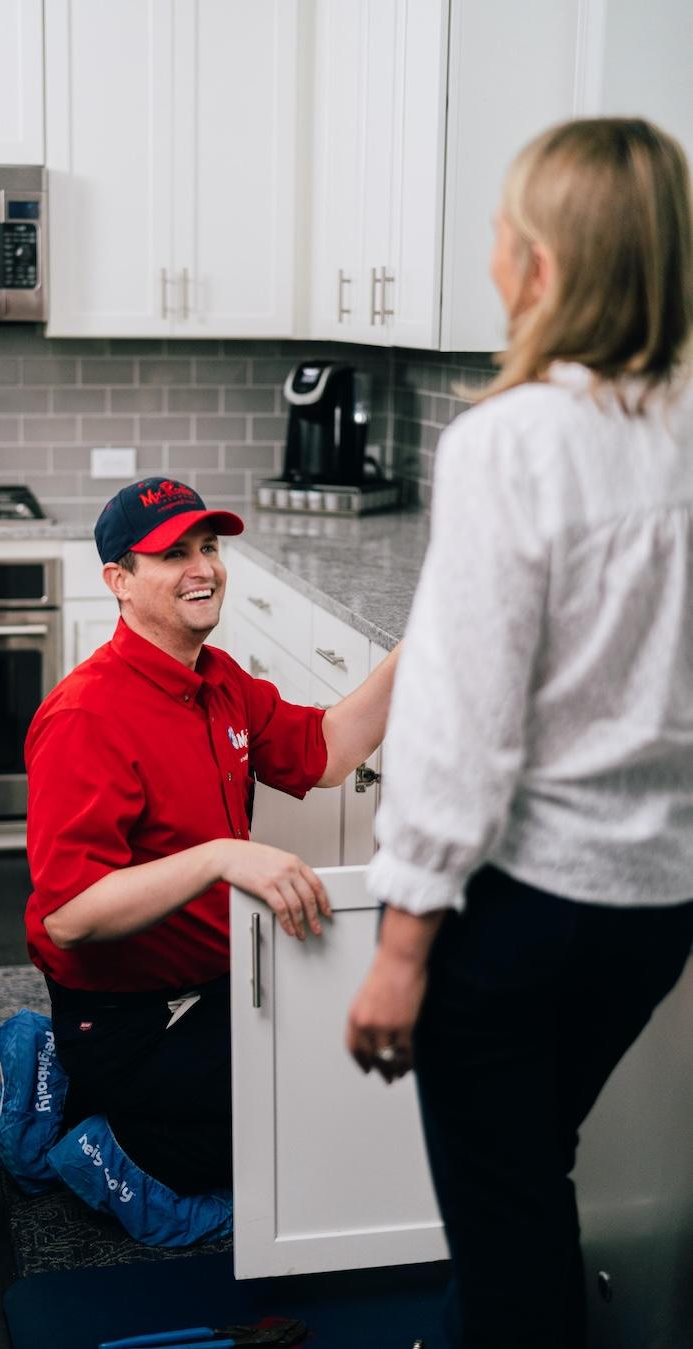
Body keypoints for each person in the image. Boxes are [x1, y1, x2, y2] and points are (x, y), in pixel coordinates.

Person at [346, 117, 693, 1349]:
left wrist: (400, 944)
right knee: (530, 1172)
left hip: (520, 904)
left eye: (500, 231)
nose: (491, 256)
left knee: (506, 1226)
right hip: (657, 907)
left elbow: (461, 718)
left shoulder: (516, 438)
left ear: (543, 263)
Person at [25, 476, 401, 1197]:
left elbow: (324, 750)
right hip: (129, 1021)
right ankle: (98, 1133)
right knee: (302, 1139)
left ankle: (73, 1089)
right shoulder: (86, 718)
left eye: (209, 546)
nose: (204, 568)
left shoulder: (216, 680)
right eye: (173, 553)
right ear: (120, 581)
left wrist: (414, 654)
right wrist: (223, 858)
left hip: (215, 984)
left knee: (343, 1082)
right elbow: (68, 916)